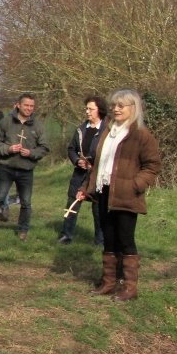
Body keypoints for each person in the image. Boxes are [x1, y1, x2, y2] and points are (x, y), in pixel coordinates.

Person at [79, 89, 161, 301]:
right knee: (109, 238)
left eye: (121, 106)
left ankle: (129, 287)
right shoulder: (108, 131)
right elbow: (99, 164)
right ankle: (109, 282)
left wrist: (135, 185)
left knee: (125, 239)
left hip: (126, 194)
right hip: (104, 190)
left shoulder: (141, 135)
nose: (116, 109)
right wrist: (87, 187)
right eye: (114, 105)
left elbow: (152, 167)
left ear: (133, 109)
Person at [0, 93, 49, 240]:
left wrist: (31, 152)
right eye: (26, 105)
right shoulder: (6, 122)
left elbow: (44, 148)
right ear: (18, 105)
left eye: (32, 106)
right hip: (6, 167)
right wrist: (8, 149)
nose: (29, 108)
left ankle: (23, 230)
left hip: (26, 169)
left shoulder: (38, 126)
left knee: (26, 202)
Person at [58, 95, 107, 245]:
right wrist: (77, 160)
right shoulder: (80, 129)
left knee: (98, 209)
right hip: (79, 174)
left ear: (100, 110)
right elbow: (71, 149)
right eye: (86, 108)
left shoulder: (107, 131)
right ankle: (66, 235)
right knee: (72, 203)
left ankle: (100, 240)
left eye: (91, 109)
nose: (87, 111)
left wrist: (96, 165)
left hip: (98, 175)